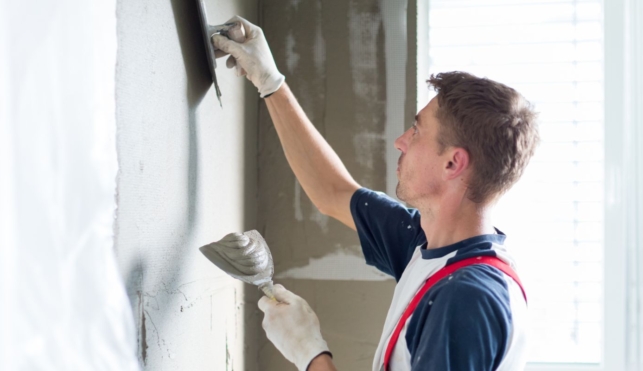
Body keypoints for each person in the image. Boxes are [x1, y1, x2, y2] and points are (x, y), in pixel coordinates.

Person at [213, 16, 539, 371]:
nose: (400, 141)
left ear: (452, 164)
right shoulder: (430, 244)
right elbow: (333, 191)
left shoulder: (466, 299)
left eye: (416, 132)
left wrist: (311, 355)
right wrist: (270, 81)